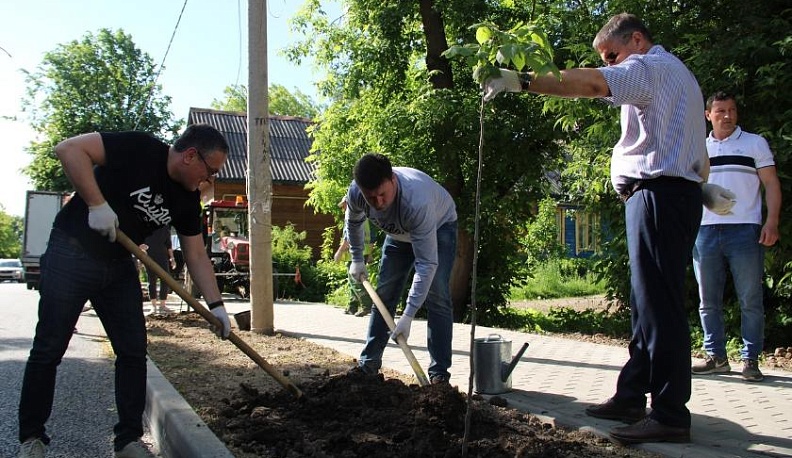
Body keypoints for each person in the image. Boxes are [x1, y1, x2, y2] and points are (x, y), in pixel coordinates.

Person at [483, 13, 711, 444]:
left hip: (659, 195)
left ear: (637, 40)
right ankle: (631, 396)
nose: (609, 66)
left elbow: (589, 84)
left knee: (659, 307)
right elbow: (687, 141)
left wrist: (521, 80)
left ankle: (669, 414)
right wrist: (702, 182)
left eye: (612, 55)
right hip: (668, 194)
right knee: (646, 304)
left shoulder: (647, 67)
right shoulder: (676, 73)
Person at [17, 124, 233, 458]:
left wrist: (217, 306)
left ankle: (128, 441)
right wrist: (96, 204)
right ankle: (32, 438)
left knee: (133, 351)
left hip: (118, 264)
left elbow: (196, 254)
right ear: (191, 156)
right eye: (211, 171)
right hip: (70, 253)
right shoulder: (139, 148)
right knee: (49, 348)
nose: (209, 181)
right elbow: (69, 148)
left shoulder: (187, 199)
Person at [691, 92, 782, 382]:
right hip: (704, 231)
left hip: (745, 230)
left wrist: (772, 221)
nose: (727, 116)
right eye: (720, 111)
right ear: (708, 115)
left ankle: (750, 360)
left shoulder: (754, 143)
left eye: (731, 110)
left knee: (750, 299)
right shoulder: (696, 147)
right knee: (708, 300)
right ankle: (716, 357)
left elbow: (771, 184)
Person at [344, 153, 457, 385]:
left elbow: (426, 264)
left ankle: (439, 376)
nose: (378, 203)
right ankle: (369, 365)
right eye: (371, 197)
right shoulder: (357, 192)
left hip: (438, 227)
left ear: (393, 179)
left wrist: (408, 315)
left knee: (437, 296)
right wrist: (357, 258)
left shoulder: (416, 201)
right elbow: (353, 221)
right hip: (397, 236)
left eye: (382, 194)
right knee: (384, 296)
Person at [334, 196, 374, 316]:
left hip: (354, 255)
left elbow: (348, 239)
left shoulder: (351, 217)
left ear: (348, 203)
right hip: (364, 252)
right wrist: (370, 254)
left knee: (356, 282)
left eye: (344, 206)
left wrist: (339, 252)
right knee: (353, 281)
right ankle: (352, 306)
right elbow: (371, 237)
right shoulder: (364, 216)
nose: (343, 209)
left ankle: (367, 305)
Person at [144, 225, 176, 314]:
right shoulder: (146, 226)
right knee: (151, 280)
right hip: (149, 256)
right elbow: (140, 241)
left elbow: (169, 244)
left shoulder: (165, 227)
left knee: (165, 279)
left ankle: (162, 305)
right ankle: (153, 305)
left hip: (162, 256)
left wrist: (172, 258)